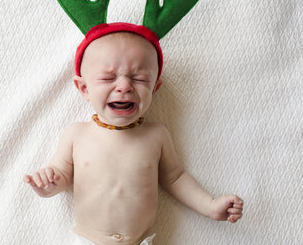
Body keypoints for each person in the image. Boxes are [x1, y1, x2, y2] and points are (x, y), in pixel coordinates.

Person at [23, 30, 243, 245]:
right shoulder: (76, 134)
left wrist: (210, 205)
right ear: (84, 88)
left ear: (155, 88)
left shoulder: (156, 135)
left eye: (139, 79)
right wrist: (48, 184)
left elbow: (175, 178)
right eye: (108, 77)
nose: (124, 87)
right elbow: (60, 175)